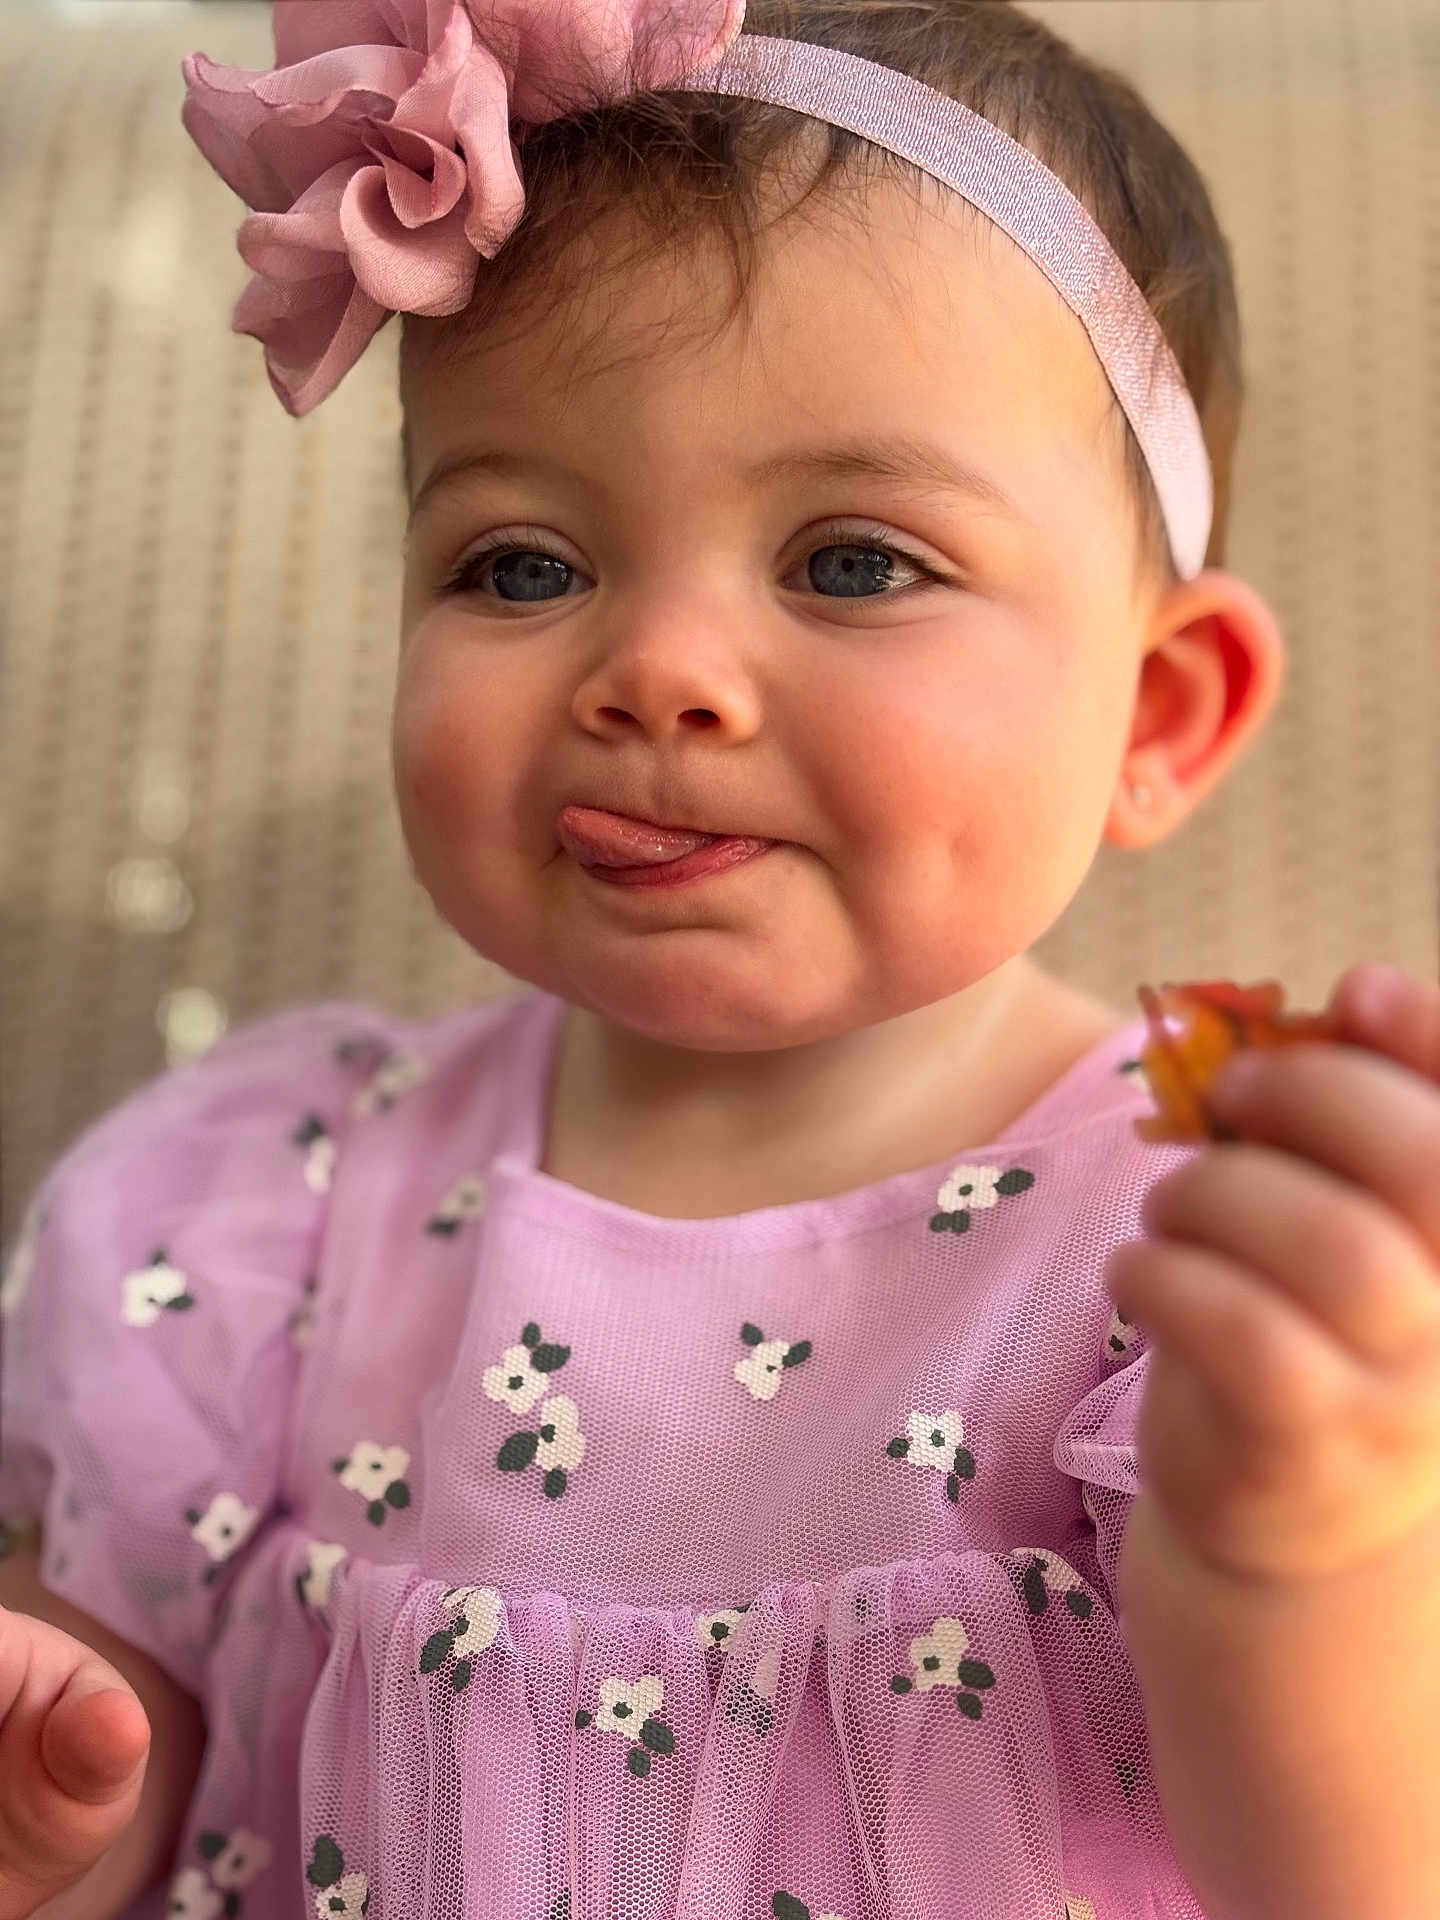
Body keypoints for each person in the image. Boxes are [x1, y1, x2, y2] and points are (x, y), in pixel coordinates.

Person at [2, 3, 1438, 1917]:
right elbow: (110, 1791)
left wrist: (1302, 1549)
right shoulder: (270, 1206)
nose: (654, 671)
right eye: (520, 564)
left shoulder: (1214, 1230)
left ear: (1160, 714)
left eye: (852, 560)